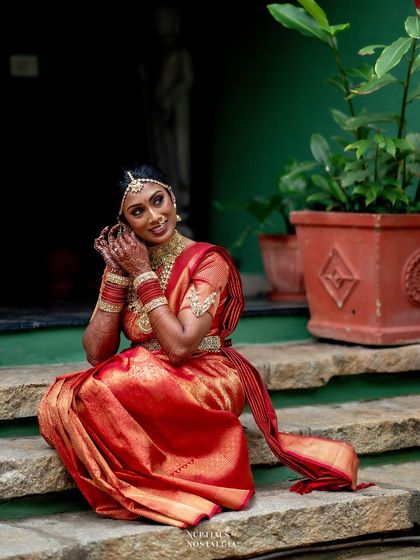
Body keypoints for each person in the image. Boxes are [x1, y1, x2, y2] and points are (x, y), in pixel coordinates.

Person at [38, 164, 371, 529]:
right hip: (148, 376)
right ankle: (150, 477)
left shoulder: (208, 261)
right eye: (138, 211)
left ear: (173, 199)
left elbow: (180, 347)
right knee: (72, 396)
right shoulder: (128, 263)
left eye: (158, 201)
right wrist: (117, 277)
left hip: (205, 373)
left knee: (100, 389)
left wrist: (143, 275)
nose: (154, 216)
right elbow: (97, 354)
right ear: (125, 222)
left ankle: (161, 483)